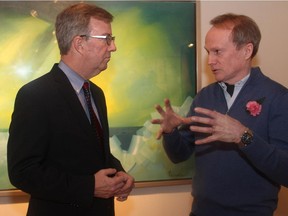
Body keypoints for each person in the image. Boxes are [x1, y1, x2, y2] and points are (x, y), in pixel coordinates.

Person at [151, 13, 288, 216]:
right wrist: (171, 133)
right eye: (208, 52)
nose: (210, 61)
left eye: (217, 52)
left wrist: (243, 136)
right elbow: (179, 156)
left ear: (246, 50)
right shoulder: (205, 96)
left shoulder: (278, 97)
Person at [7, 3, 134, 216]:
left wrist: (119, 173)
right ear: (79, 44)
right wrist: (88, 186)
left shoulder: (96, 93)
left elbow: (92, 153)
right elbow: (22, 172)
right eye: (107, 39)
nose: (113, 47)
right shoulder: (35, 95)